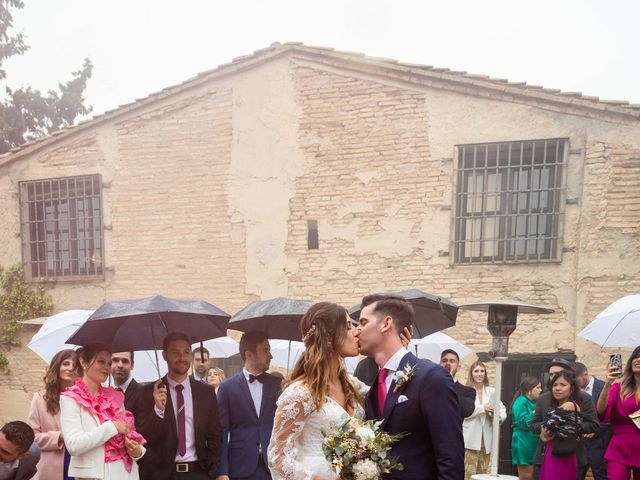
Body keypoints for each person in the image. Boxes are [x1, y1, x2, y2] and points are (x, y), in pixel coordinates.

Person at [357, 294, 465, 480]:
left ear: (386, 323)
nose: (357, 330)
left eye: (363, 322)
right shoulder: (374, 387)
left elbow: (450, 457)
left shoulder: (431, 377)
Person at [268, 302, 368, 480]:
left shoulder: (352, 384)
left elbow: (388, 395)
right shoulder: (300, 392)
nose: (356, 331)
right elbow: (277, 456)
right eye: (348, 326)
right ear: (329, 338)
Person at [136, 332, 222, 479]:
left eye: (186, 352)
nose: (182, 358)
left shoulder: (206, 393)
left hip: (198, 472)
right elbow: (142, 436)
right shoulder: (148, 392)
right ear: (164, 355)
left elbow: (215, 435)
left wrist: (211, 472)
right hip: (161, 474)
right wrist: (158, 409)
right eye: (175, 352)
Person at [59, 343, 146, 479]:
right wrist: (111, 426)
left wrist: (137, 451)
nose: (107, 367)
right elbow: (73, 445)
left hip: (126, 473)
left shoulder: (115, 397)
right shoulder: (69, 399)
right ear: (83, 362)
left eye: (109, 363)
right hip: (95, 476)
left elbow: (128, 433)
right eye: (101, 361)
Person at [216, 331, 280, 480]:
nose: (270, 355)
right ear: (249, 354)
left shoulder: (277, 385)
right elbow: (221, 432)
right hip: (239, 468)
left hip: (271, 467)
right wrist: (222, 471)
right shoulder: (227, 387)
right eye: (265, 350)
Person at [530, 362, 599, 480]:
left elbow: (593, 425)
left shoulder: (584, 398)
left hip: (573, 454)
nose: (557, 386)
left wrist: (569, 426)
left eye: (558, 374)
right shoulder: (543, 399)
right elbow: (533, 425)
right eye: (551, 375)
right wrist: (544, 428)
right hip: (545, 455)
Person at [27, 349, 78, 480]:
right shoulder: (39, 398)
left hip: (80, 463)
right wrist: (59, 436)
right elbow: (31, 437)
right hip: (51, 468)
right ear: (57, 366)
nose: (71, 368)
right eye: (66, 363)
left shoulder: (83, 400)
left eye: (75, 365)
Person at [596, 345, 640, 479]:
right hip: (620, 447)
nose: (638, 360)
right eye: (636, 356)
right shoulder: (618, 387)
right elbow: (601, 412)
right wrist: (608, 383)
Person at [462, 360, 507, 480]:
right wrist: (483, 408)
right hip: (470, 438)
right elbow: (464, 412)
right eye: (476, 371)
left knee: (483, 473)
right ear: (471, 373)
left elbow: (502, 409)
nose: (479, 373)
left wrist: (497, 418)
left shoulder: (492, 391)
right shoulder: (465, 391)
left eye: (482, 371)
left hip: (486, 438)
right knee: (468, 473)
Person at [536, 371, 583, 479]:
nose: (557, 388)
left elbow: (545, 433)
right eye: (555, 385)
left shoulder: (568, 405)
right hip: (556, 453)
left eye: (563, 385)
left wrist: (545, 432)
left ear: (571, 389)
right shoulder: (565, 406)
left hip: (560, 456)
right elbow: (544, 435)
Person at [574, 362, 611, 480]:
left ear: (585, 374)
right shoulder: (572, 390)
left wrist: (594, 430)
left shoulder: (604, 387)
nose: (574, 384)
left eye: (576, 380)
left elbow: (610, 417)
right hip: (578, 444)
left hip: (600, 443)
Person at [511, 376, 542, 480]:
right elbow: (523, 423)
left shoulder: (535, 402)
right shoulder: (520, 401)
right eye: (538, 387)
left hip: (534, 443)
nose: (540, 390)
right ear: (529, 390)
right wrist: (536, 412)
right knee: (527, 477)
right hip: (524, 443)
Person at [440, 349, 476, 419]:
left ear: (458, 368)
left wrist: (449, 382)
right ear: (439, 365)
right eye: (444, 361)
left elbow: (467, 411)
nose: (447, 363)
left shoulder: (468, 391)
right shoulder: (431, 387)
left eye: (452, 361)